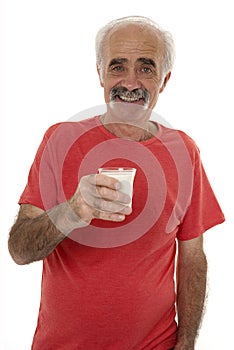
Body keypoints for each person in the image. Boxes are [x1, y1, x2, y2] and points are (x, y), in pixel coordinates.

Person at [8, 16, 225, 350]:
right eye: (118, 66)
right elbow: (20, 251)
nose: (130, 82)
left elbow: (192, 255)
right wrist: (73, 211)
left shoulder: (185, 151)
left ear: (164, 80)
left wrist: (187, 342)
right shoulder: (60, 140)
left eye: (146, 68)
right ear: (100, 74)